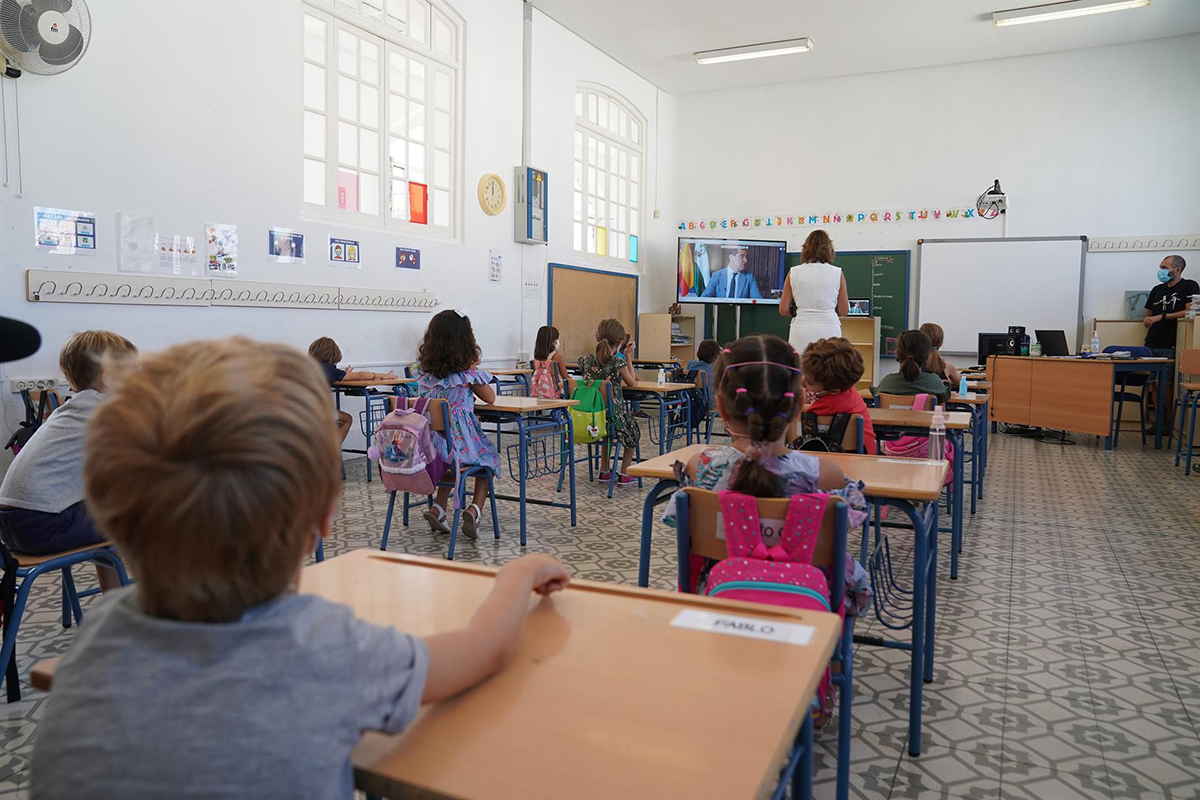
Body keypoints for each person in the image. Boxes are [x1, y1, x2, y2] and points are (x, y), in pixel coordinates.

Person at [30, 337, 570, 799]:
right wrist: (516, 575)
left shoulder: (96, 637)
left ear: (113, 514)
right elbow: (486, 648)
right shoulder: (321, 648)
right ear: (321, 520)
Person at [0, 331, 137, 592]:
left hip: (12, 526)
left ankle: (113, 599)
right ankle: (159, 599)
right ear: (108, 376)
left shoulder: (72, 409)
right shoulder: (108, 412)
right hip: (42, 525)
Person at [413, 310, 500, 540]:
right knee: (488, 460)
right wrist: (472, 368)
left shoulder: (424, 376)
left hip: (429, 449)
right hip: (459, 447)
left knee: (452, 461)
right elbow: (490, 398)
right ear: (466, 342)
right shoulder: (467, 376)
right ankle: (475, 510)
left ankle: (439, 508)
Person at [577, 319, 641, 485]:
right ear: (621, 342)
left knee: (606, 431)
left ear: (596, 336)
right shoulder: (617, 362)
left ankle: (604, 470)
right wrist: (628, 355)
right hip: (614, 416)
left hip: (592, 416)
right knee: (632, 431)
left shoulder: (585, 361)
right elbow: (632, 382)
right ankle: (625, 472)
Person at [308, 337, 399, 445]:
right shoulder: (329, 369)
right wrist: (384, 376)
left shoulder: (308, 366)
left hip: (298, 412)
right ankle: (331, 451)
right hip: (318, 413)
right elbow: (360, 375)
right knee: (347, 419)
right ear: (331, 357)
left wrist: (344, 374)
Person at [801, 337, 877, 454]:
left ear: (833, 391)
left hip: (825, 463)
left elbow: (800, 413)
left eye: (810, 382)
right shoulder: (852, 397)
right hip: (863, 461)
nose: (802, 382)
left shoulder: (816, 412)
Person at [779, 230, 849, 355]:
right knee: (830, 366)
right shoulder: (837, 273)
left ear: (806, 248)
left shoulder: (793, 272)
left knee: (802, 370)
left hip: (801, 327)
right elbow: (844, 311)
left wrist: (800, 311)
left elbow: (783, 309)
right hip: (829, 328)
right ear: (829, 249)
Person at [874, 330, 950, 405]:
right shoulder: (935, 383)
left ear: (897, 353)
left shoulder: (886, 383)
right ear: (926, 356)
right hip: (924, 418)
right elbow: (941, 413)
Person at [530, 325, 567, 399]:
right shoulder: (557, 356)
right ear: (554, 342)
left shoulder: (535, 359)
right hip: (557, 393)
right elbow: (565, 377)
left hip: (539, 393)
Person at [686, 338, 720, 408]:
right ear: (716, 357)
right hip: (706, 405)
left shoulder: (689, 364)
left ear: (697, 353)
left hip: (688, 402)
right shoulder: (713, 370)